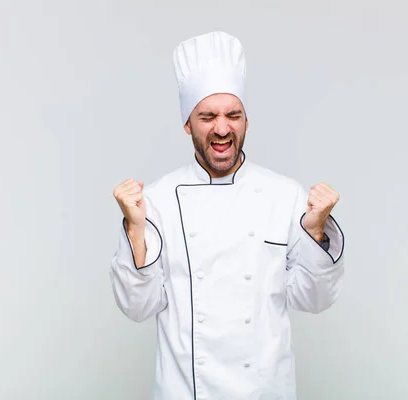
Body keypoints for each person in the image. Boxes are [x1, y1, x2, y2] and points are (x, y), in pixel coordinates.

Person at [110, 31, 345, 400]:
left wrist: (316, 233)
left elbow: (314, 300)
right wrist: (135, 231)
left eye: (233, 115)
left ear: (246, 121)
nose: (222, 128)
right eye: (207, 116)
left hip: (265, 391)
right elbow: (138, 307)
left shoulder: (284, 195)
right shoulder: (155, 201)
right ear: (188, 124)